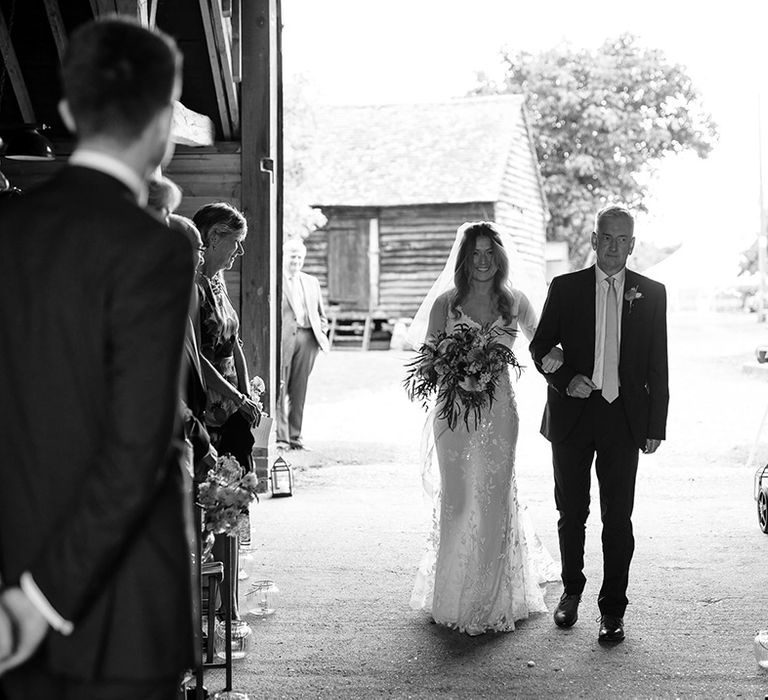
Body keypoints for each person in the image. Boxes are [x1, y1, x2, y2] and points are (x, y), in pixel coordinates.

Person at [0, 17, 196, 699]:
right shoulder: (156, 247)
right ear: (165, 119)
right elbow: (138, 447)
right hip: (118, 608)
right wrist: (42, 597)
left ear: (63, 113)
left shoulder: (9, 230)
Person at [409, 221, 563, 635]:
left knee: (494, 499)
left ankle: (492, 599)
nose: (482, 262)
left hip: (498, 412)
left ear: (499, 258)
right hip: (453, 413)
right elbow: (426, 357)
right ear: (464, 258)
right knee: (458, 501)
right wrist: (450, 367)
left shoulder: (516, 303)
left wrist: (572, 361)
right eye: (475, 254)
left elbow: (546, 343)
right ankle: (454, 595)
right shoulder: (446, 303)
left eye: (489, 254)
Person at [529, 204, 669, 644]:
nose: (613, 247)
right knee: (572, 513)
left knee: (618, 519)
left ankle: (613, 610)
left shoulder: (652, 292)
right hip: (573, 414)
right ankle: (571, 591)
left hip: (623, 419)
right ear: (593, 240)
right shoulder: (566, 288)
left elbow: (657, 364)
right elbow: (540, 347)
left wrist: (655, 424)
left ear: (632, 244)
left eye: (621, 239)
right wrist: (565, 379)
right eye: (605, 238)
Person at [193, 202, 260, 619]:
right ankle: (220, 606)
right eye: (234, 243)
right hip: (211, 408)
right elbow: (197, 356)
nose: (237, 254)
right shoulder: (193, 287)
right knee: (220, 501)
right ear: (213, 236)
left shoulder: (217, 282)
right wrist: (234, 398)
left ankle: (230, 600)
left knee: (237, 500)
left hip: (234, 401)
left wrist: (247, 389)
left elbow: (233, 341)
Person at [276, 237, 330, 451]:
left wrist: (321, 332)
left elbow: (320, 314)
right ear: (284, 257)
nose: (296, 260)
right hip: (284, 339)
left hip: (308, 339)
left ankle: (296, 436)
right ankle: (281, 438)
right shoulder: (276, 278)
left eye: (300, 257)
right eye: (292, 256)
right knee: (280, 387)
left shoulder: (311, 281)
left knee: (300, 390)